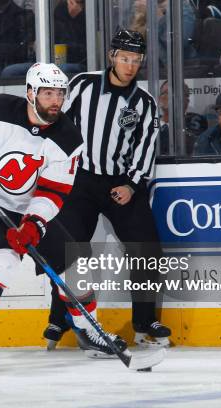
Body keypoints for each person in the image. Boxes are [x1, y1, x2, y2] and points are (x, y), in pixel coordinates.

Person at [0, 62, 117, 371]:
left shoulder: (68, 140)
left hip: (26, 208)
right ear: (31, 93)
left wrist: (34, 222)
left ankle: (88, 330)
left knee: (75, 264)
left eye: (60, 94)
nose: (55, 101)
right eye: (48, 94)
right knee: (4, 258)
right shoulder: (0, 107)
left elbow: (53, 192)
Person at [38, 29, 171, 351]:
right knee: (70, 250)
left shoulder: (145, 104)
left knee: (147, 248)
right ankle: (60, 317)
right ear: (112, 56)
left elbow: (145, 148)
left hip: (120, 184)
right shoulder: (82, 85)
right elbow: (57, 127)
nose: (130, 65)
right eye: (125, 58)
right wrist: (56, 169)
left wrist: (132, 184)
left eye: (136, 60)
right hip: (80, 180)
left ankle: (144, 319)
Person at [158, 80, 208, 155]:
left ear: (186, 101)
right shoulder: (148, 124)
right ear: (159, 99)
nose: (167, 97)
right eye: (164, 93)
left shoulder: (195, 125)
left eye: (172, 94)